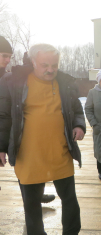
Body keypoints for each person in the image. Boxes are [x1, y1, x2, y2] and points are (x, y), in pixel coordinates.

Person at [0, 43, 86, 235]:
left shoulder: (65, 82)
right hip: (29, 153)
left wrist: (79, 125)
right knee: (31, 201)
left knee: (69, 198)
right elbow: (3, 116)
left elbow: (76, 108)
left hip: (60, 150)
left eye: (54, 65)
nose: (50, 69)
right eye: (45, 65)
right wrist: (1, 146)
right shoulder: (13, 82)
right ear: (33, 62)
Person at [0, 36, 55, 204]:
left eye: (10, 56)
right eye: (4, 55)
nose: (8, 60)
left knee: (25, 165)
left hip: (8, 128)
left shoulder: (7, 75)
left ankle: (34, 197)